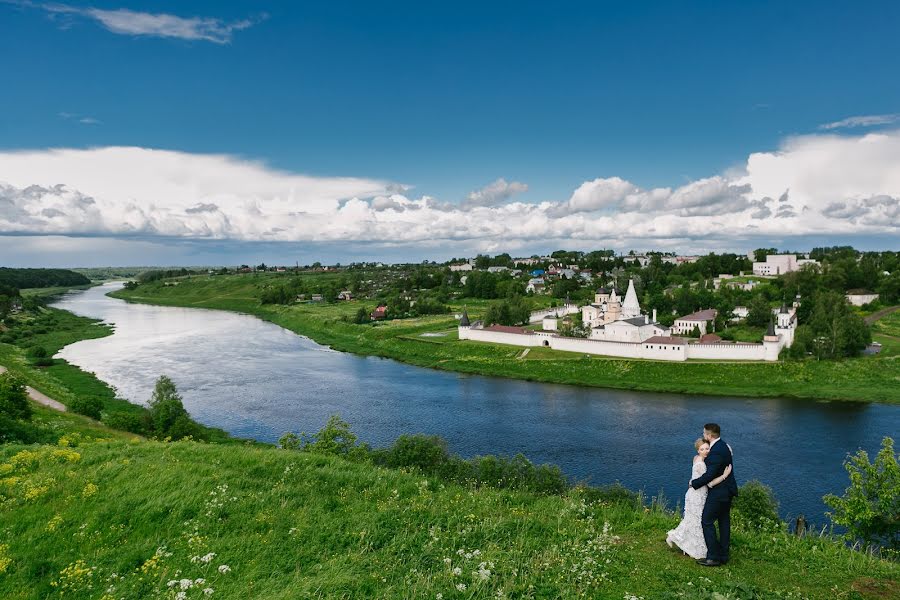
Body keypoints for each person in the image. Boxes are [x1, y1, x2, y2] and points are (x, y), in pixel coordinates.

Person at [666, 438, 732, 559]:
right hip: (698, 495)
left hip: (693, 493)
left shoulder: (696, 458)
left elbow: (694, 478)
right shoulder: (702, 465)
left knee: (693, 520)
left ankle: (687, 544)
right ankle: (678, 539)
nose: (705, 451)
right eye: (702, 449)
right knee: (697, 520)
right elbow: (709, 483)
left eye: (707, 448)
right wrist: (724, 476)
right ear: (698, 450)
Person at [689, 423, 739, 566]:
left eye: (704, 434)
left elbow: (710, 474)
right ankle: (723, 555)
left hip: (719, 492)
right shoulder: (723, 445)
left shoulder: (716, 450)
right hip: (727, 490)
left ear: (709, 436)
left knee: (707, 520)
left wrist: (694, 483)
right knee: (724, 522)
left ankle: (713, 557)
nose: (703, 435)